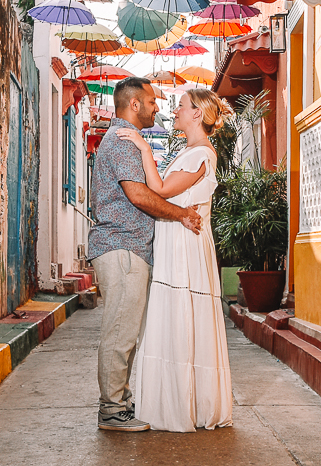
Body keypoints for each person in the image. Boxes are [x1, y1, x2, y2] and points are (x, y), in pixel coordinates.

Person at [88, 76, 203, 433]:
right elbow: (139, 196)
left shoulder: (125, 140)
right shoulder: (123, 141)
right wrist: (182, 214)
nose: (158, 107)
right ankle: (111, 410)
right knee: (121, 333)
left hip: (127, 247)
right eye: (152, 101)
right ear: (134, 104)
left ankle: (118, 401)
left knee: (126, 331)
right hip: (121, 247)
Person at [119, 88, 234, 433]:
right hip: (179, 240)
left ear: (197, 114)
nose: (175, 110)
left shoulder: (200, 153)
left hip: (185, 247)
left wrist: (141, 146)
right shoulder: (192, 151)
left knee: (182, 314)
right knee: (179, 316)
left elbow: (161, 189)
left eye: (182, 106)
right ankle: (180, 400)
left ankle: (181, 404)